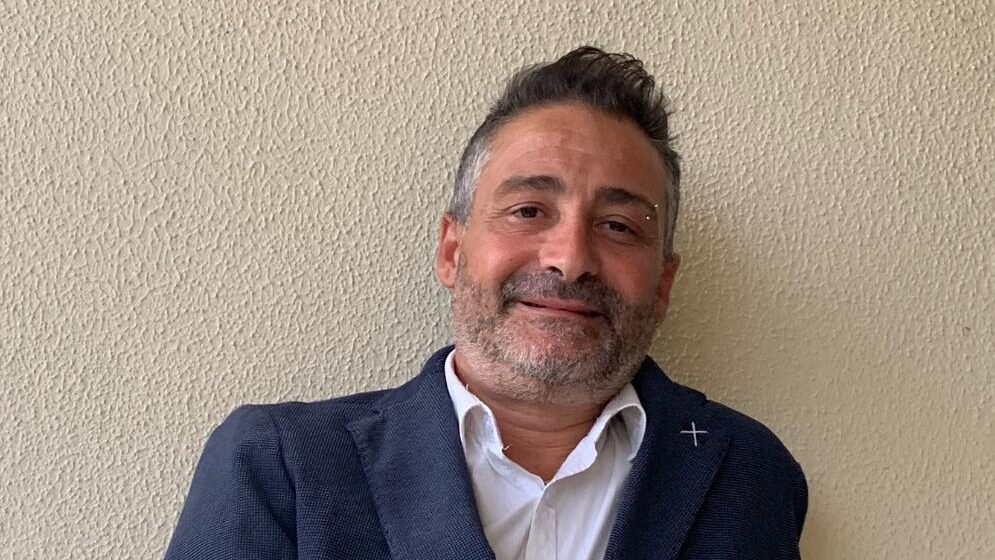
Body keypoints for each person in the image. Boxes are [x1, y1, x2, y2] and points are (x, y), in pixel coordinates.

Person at [165, 46, 807, 560]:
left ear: (662, 284)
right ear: (452, 251)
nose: (570, 259)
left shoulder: (749, 475)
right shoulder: (278, 465)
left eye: (618, 226)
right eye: (528, 210)